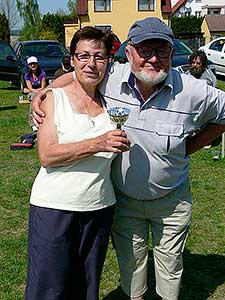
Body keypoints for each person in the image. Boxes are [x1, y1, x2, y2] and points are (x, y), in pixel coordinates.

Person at [32, 17, 225, 300]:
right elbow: (75, 75)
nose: (153, 59)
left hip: (171, 200)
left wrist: (192, 146)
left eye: (162, 51)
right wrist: (42, 92)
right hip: (124, 201)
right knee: (131, 268)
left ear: (172, 53)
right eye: (145, 51)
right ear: (129, 53)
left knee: (170, 267)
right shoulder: (111, 77)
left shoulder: (194, 91)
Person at [25, 26, 130, 300]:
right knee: (48, 290)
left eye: (99, 56)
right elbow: (47, 155)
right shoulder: (52, 99)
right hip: (54, 209)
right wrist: (99, 143)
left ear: (108, 61)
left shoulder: (112, 101)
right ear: (71, 60)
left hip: (99, 207)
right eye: (83, 56)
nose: (91, 63)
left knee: (85, 288)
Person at [23, 56, 47, 131]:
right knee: (34, 98)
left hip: (41, 91)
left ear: (37, 64)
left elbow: (43, 86)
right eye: (31, 64)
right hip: (33, 93)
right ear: (28, 65)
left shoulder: (42, 74)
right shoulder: (27, 75)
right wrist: (36, 92)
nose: (33, 65)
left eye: (34, 63)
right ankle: (32, 122)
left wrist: (38, 92)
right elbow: (30, 88)